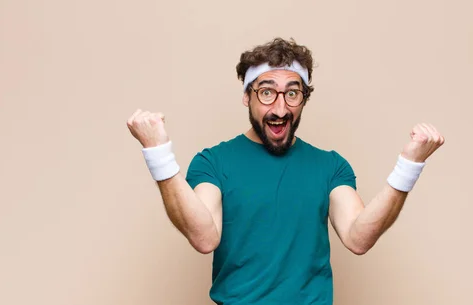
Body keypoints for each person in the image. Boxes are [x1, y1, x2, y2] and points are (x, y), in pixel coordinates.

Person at [126, 37, 445, 305]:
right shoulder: (214, 162)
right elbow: (204, 236)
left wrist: (409, 166)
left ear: (304, 99)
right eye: (266, 92)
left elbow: (359, 238)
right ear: (246, 96)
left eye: (292, 93)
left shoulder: (330, 166)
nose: (280, 109)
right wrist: (159, 157)